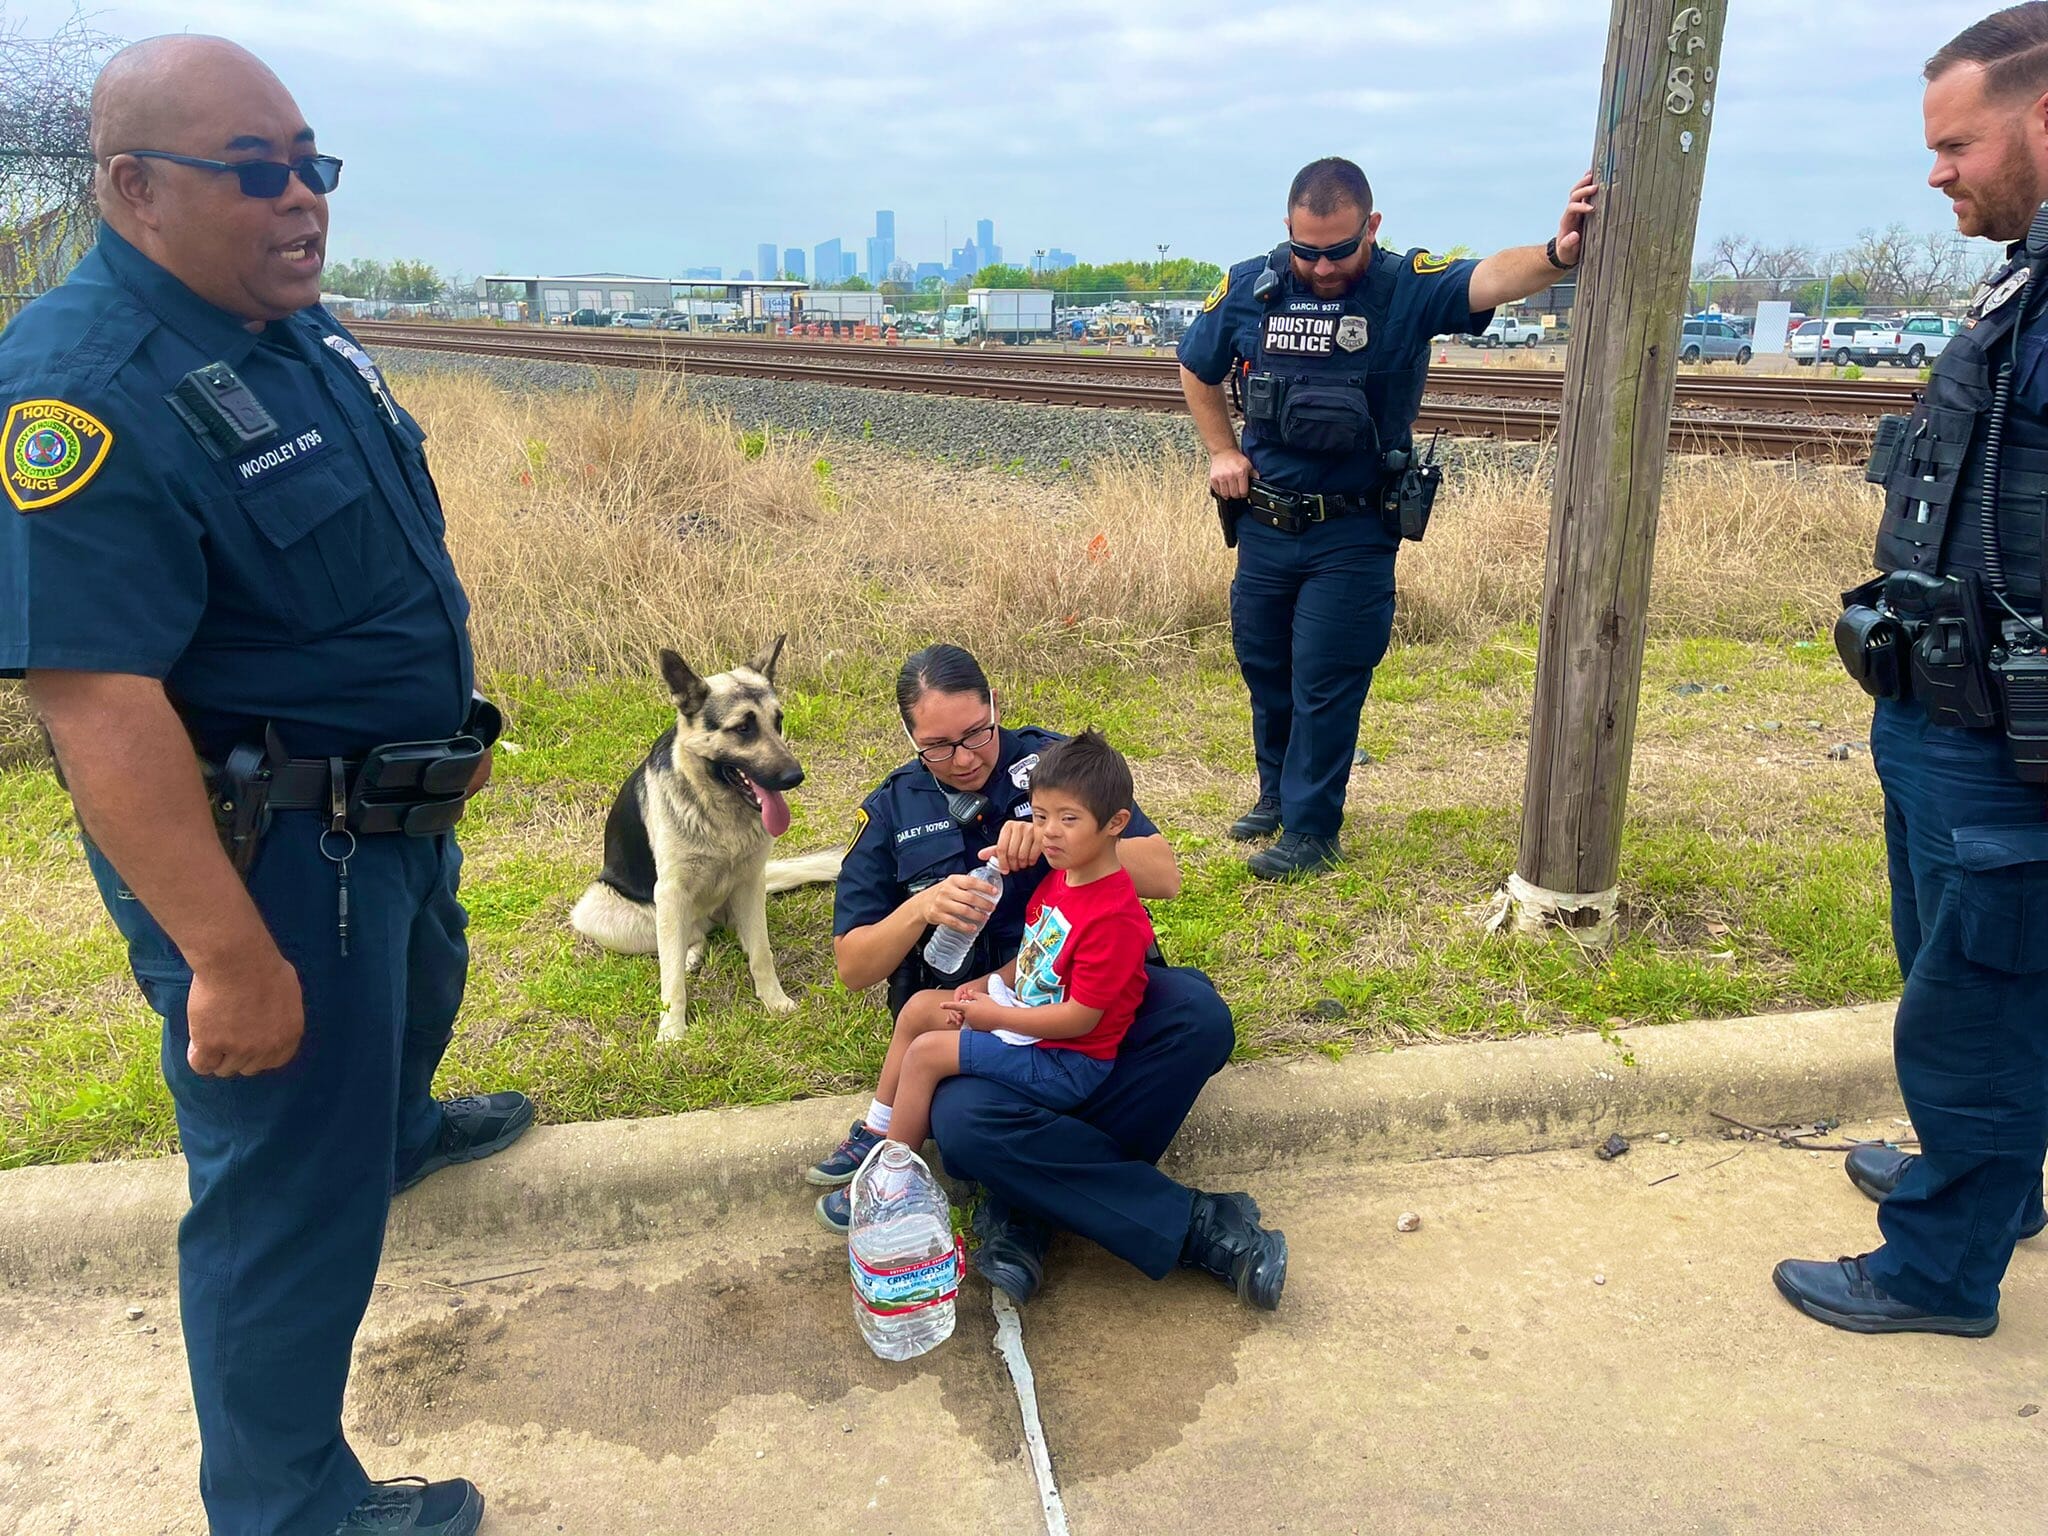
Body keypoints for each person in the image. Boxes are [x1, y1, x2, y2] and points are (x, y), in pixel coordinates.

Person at [1, 37, 528, 1535]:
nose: (302, 198)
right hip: (272, 862)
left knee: (418, 997)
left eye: (313, 163)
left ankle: (399, 1129)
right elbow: (92, 702)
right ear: (134, 188)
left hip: (388, 825)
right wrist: (230, 956)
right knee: (283, 1201)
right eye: (258, 171)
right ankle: (288, 1506)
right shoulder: (84, 387)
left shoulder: (291, 329)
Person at [1774, 3, 2048, 1338]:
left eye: (1957, 144)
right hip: (1949, 714)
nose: (1936, 172)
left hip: (2010, 738)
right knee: (1961, 979)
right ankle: (1992, 1184)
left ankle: (1942, 1273)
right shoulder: (2027, 274)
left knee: (1976, 1012)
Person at [826, 645, 1287, 1309]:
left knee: (1198, 1017)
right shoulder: (893, 810)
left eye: (977, 732)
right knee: (964, 1127)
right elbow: (852, 965)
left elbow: (1164, 874)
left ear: (995, 707)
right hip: (983, 1027)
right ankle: (1198, 1229)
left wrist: (1050, 841)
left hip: (1083, 1001)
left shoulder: (1052, 769)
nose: (964, 757)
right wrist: (922, 907)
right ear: (910, 739)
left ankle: (1024, 1202)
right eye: (938, 745)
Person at [1178, 155, 1599, 878]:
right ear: (1287, 229)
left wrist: (1559, 254)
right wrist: (1221, 450)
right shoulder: (1252, 285)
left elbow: (1488, 277)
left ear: (1371, 226)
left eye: (1339, 249)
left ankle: (1312, 832)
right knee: (1267, 665)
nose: (1321, 266)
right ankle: (1277, 796)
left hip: (1353, 529)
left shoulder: (1404, 285)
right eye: (1306, 250)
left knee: (1325, 676)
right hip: (1266, 524)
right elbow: (1196, 363)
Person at [812, 730, 1154, 1170]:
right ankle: (877, 1130)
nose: (1049, 833)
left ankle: (893, 1180)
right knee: (918, 1009)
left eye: (1068, 820)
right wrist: (977, 990)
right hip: (1029, 1015)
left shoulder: (1112, 915)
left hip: (1067, 1059)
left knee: (927, 1053)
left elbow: (1080, 1019)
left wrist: (995, 1016)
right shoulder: (1061, 878)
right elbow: (1032, 960)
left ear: (1115, 823)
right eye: (1041, 817)